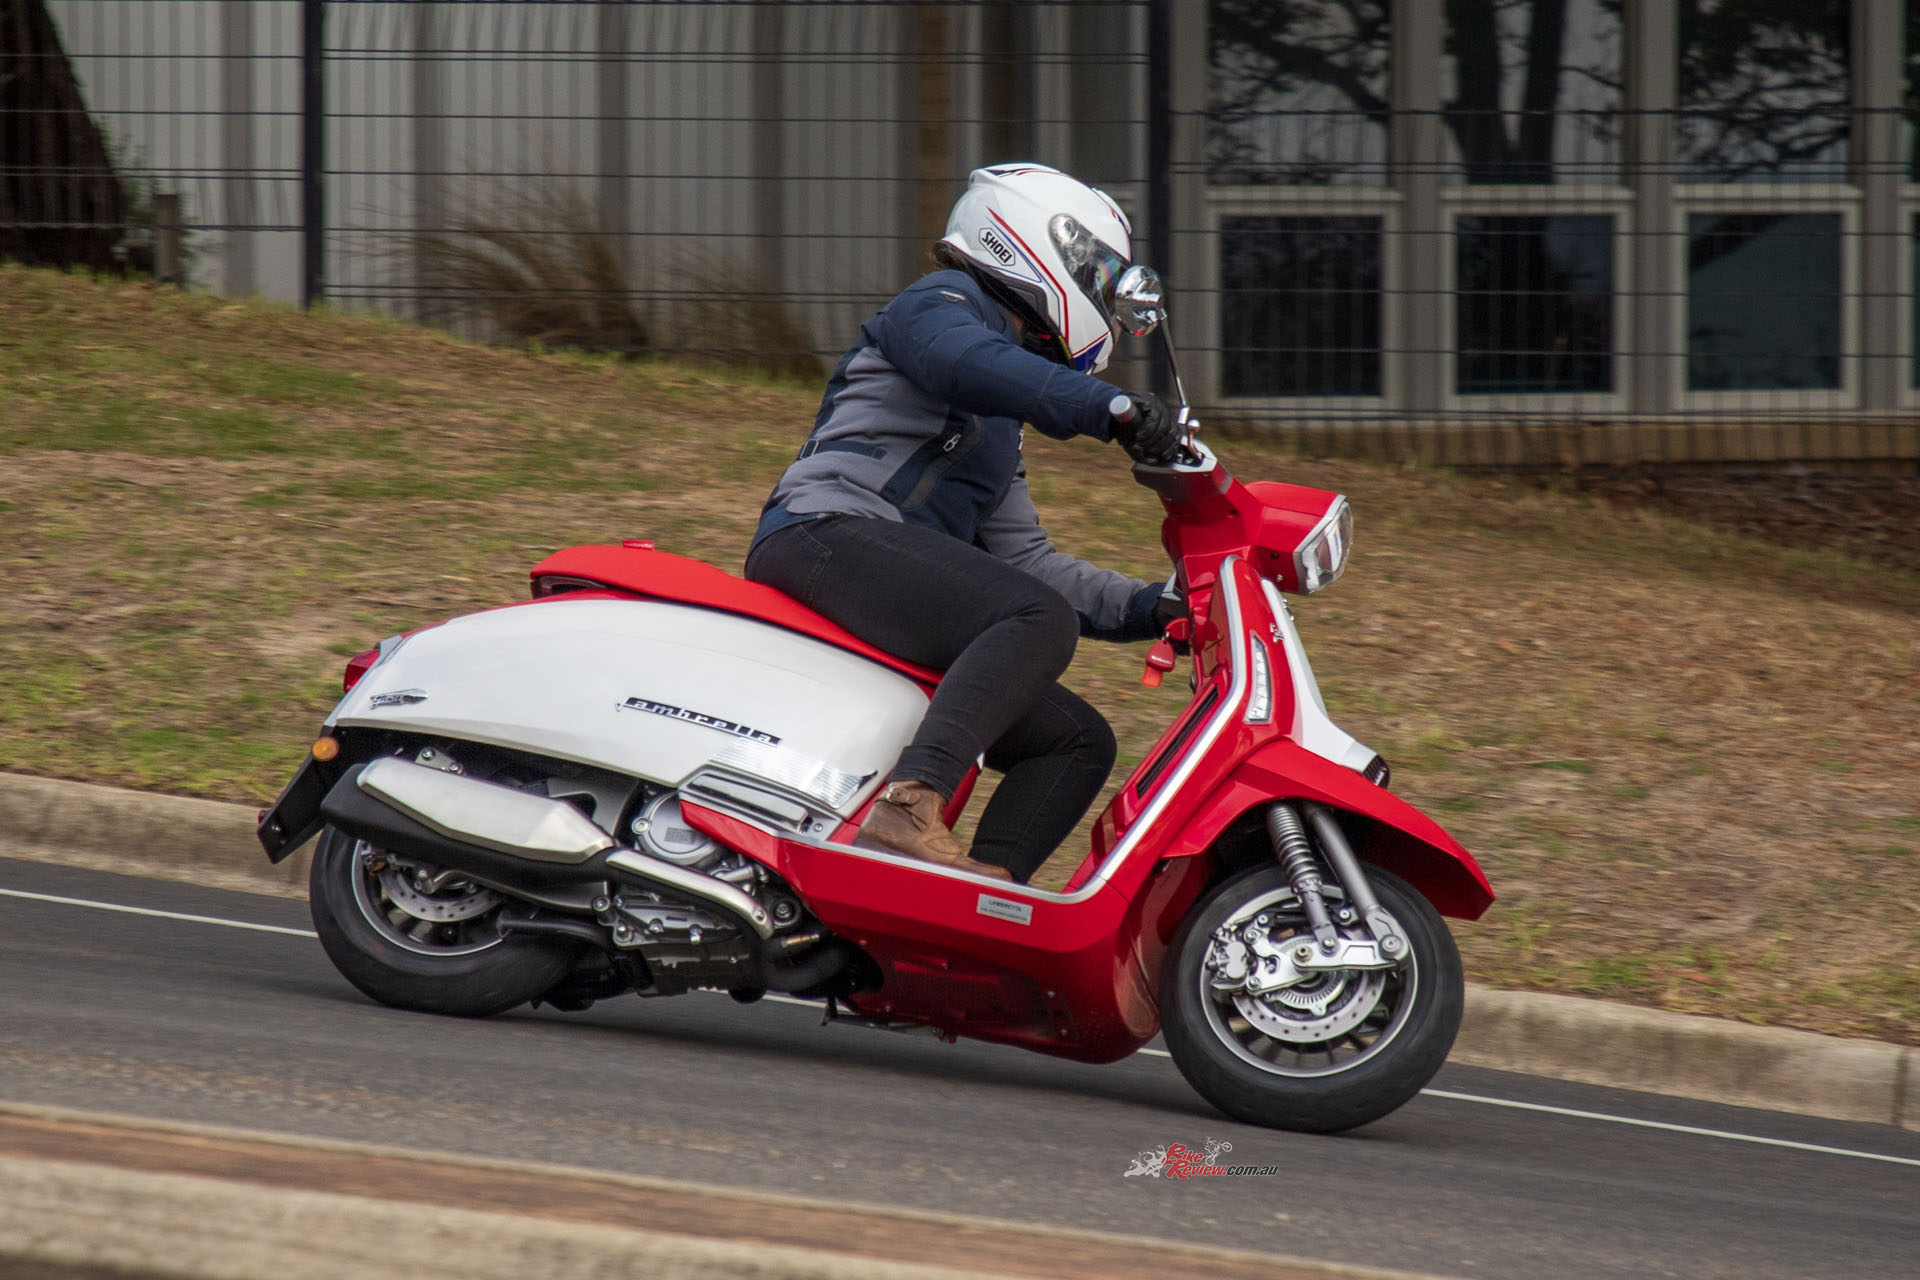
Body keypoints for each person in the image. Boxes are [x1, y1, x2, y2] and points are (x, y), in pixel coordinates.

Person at [743, 163, 1181, 884]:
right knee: (1035, 618)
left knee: (1076, 739)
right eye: (1095, 274)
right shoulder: (942, 304)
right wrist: (1106, 408)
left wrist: (1151, 608)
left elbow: (1027, 560)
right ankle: (911, 809)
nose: (1103, 297)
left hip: (878, 561)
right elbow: (960, 361)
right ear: (1032, 241)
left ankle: (976, 906)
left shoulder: (1000, 407)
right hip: (822, 532)